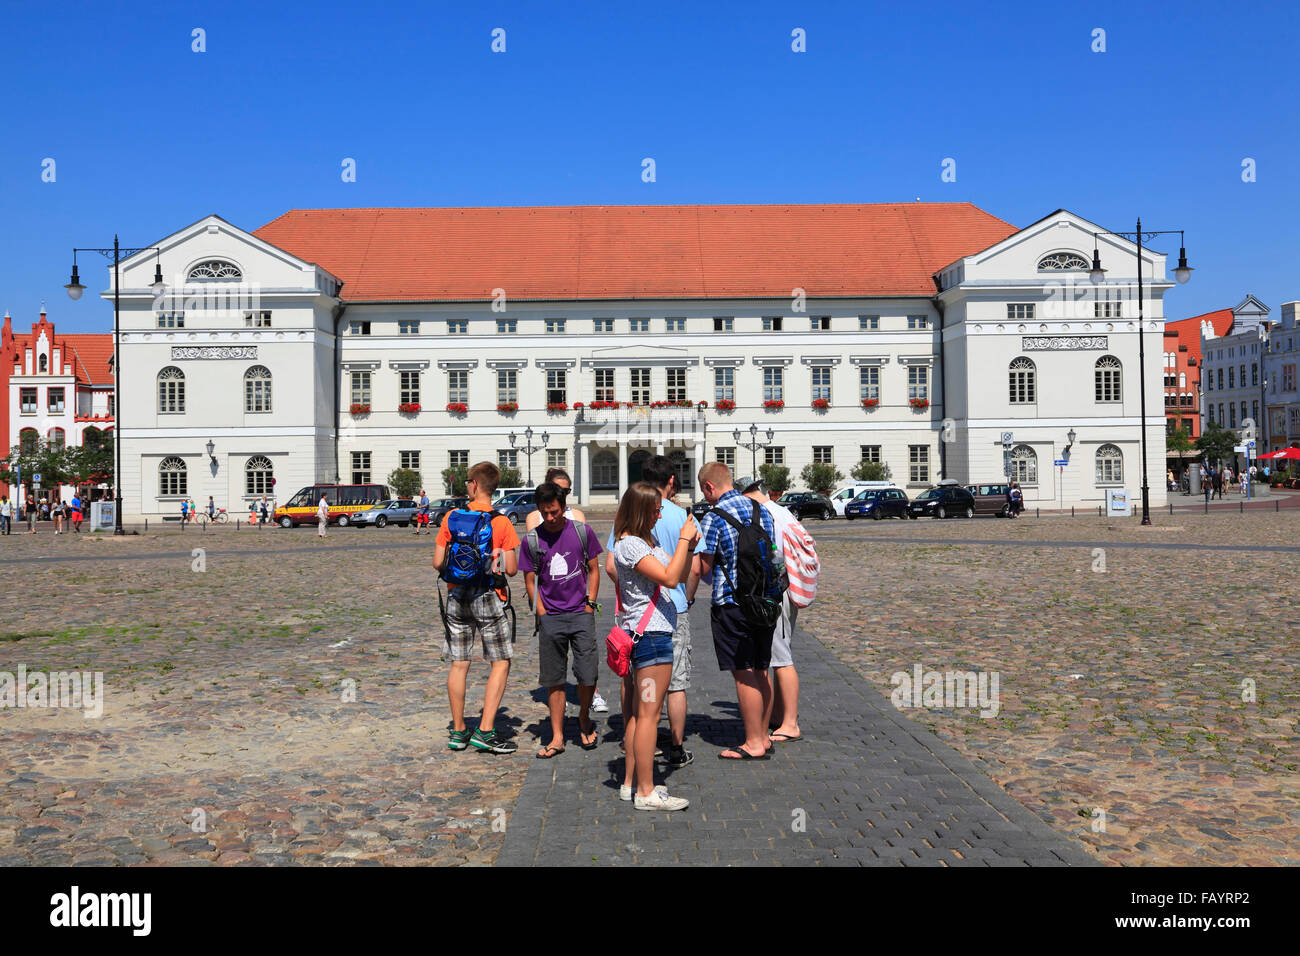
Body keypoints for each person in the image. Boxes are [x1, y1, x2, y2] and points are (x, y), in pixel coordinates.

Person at [606, 455, 698, 767]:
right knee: (647, 713)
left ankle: (634, 779)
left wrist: (686, 547)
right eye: (656, 511)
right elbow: (671, 578)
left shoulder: (650, 540)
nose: (661, 515)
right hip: (649, 638)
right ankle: (643, 785)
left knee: (647, 710)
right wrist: (684, 539)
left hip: (659, 633)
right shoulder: (631, 545)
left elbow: (681, 575)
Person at [689, 461, 778, 761]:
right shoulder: (761, 510)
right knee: (762, 669)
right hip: (765, 602)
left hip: (732, 603)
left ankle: (753, 742)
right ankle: (763, 735)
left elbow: (704, 566)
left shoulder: (713, 517)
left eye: (705, 491)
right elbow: (775, 556)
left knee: (743, 674)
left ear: (709, 487)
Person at [434, 461, 522, 754]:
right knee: (499, 661)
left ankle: (458, 731)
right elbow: (511, 569)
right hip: (487, 595)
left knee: (459, 663)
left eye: (467, 482)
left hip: (456, 596)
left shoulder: (451, 517)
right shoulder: (501, 522)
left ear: (474, 484)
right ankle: (485, 730)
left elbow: (437, 563)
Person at [521, 481, 603, 758]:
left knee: (588, 673)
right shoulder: (532, 539)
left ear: (564, 507)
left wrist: (590, 603)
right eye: (545, 513)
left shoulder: (582, 532)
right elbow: (530, 580)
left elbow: (593, 569)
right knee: (554, 679)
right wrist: (541, 613)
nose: (550, 518)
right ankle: (557, 736)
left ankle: (582, 717)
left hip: (581, 613)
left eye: (554, 512)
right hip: (551, 617)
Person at [738, 478, 802, 743]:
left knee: (782, 657)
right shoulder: (779, 511)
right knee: (777, 654)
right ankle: (778, 715)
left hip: (777, 590)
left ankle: (790, 723)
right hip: (786, 588)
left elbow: (770, 556)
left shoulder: (769, 515)